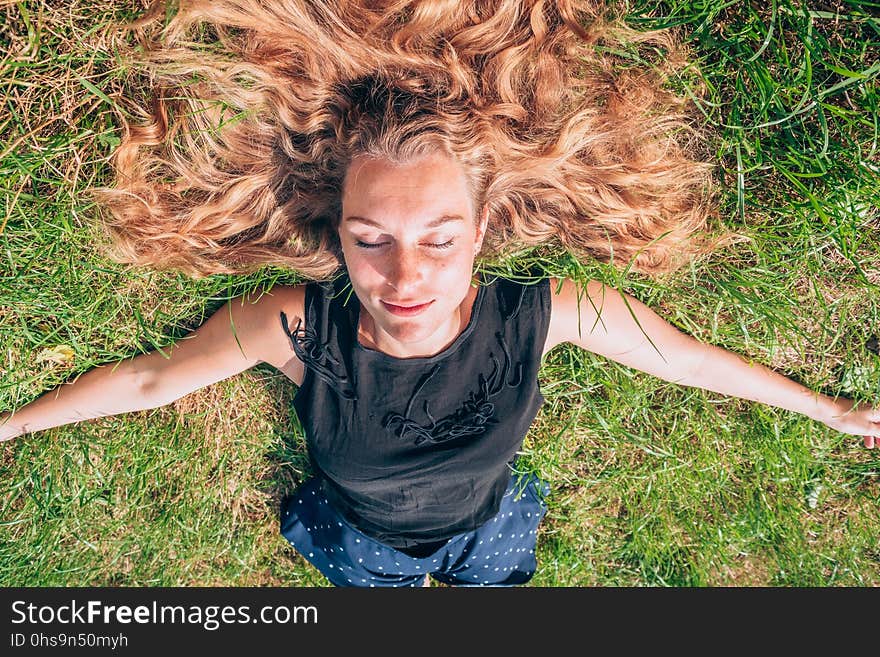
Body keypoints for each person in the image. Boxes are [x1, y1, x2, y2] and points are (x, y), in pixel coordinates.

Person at [2, 0, 878, 587]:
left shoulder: (548, 312)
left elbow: (686, 361)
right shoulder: (298, 327)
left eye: (440, 238)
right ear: (335, 234)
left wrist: (828, 409)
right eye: (370, 240)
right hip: (356, 536)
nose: (405, 277)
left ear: (485, 229)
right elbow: (153, 379)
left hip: (487, 528)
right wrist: (11, 425)